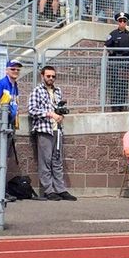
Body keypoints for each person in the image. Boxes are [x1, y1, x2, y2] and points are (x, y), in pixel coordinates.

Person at [28, 64, 76, 201]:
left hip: (58, 130)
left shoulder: (57, 91)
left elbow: (58, 108)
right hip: (44, 129)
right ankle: (48, 190)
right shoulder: (37, 91)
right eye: (48, 76)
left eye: (53, 76)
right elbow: (32, 110)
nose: (51, 78)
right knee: (46, 160)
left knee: (57, 160)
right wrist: (49, 114)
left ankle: (60, 189)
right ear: (42, 76)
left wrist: (60, 115)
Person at [104, 11, 129, 111]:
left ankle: (121, 106)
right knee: (115, 86)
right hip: (116, 64)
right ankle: (115, 107)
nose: (122, 23)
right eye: (120, 21)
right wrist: (104, 58)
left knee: (124, 85)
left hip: (127, 64)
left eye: (124, 21)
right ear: (118, 22)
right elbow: (106, 46)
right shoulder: (113, 34)